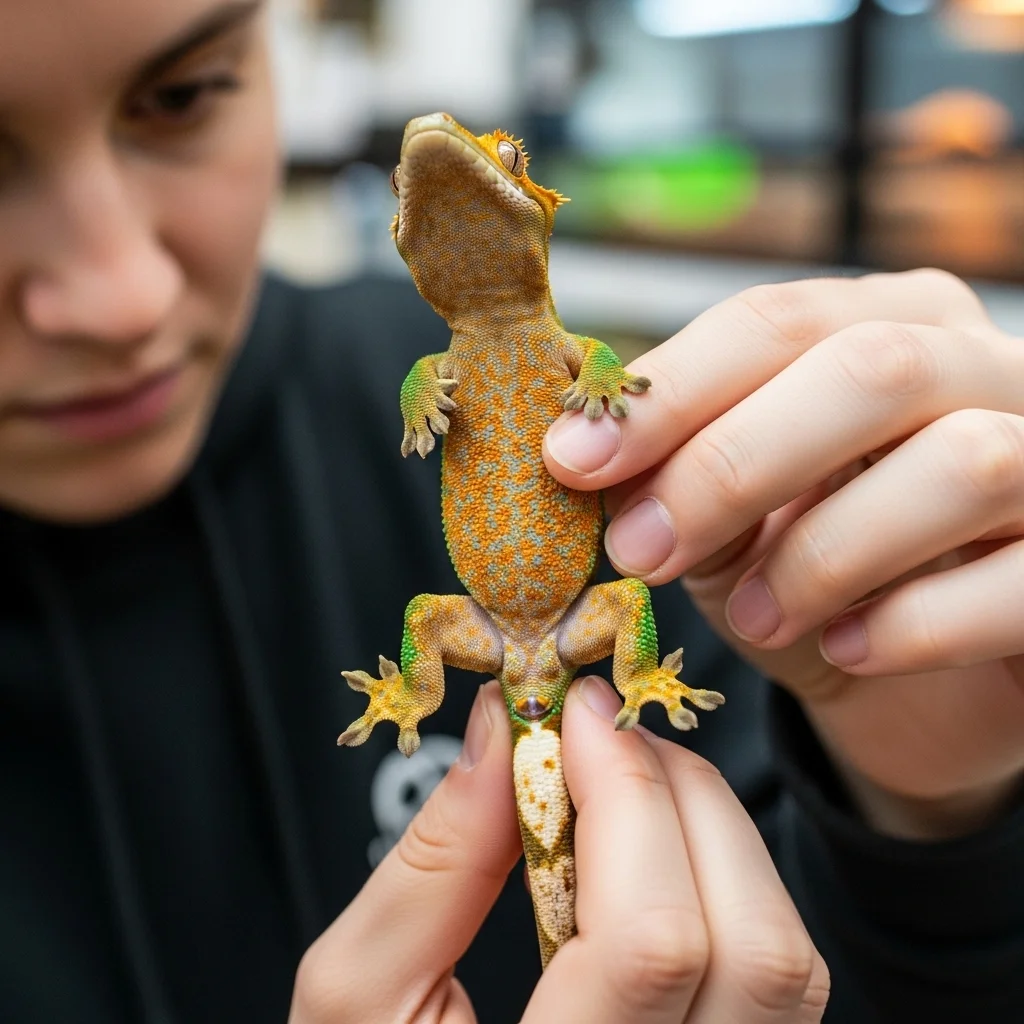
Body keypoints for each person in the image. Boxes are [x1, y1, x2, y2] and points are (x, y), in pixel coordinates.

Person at [1, 2, 1022, 1022]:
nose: (119, 298)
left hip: (540, 644)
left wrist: (937, 817)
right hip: (499, 641)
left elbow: (817, 953)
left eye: (182, 94)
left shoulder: (451, 360)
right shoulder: (418, 374)